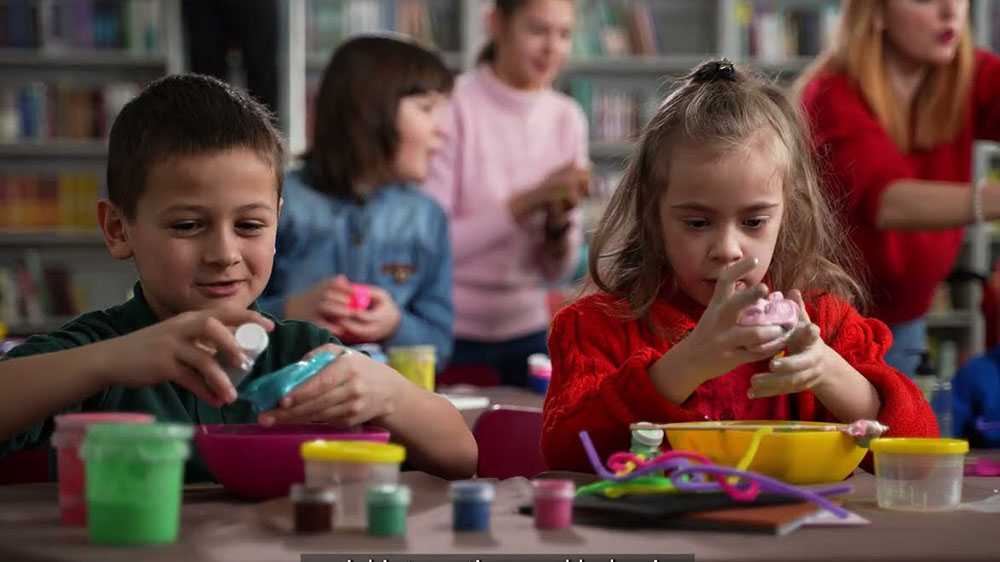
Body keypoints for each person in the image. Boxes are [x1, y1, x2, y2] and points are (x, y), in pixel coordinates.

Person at [0, 74, 477, 481]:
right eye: (187, 226)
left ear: (277, 222)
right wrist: (108, 361)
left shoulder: (301, 353)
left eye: (250, 225)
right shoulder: (97, 351)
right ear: (118, 229)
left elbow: (461, 455)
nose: (224, 254)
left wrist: (388, 392)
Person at [541, 60, 938, 472]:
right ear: (651, 213)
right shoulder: (597, 326)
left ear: (787, 212)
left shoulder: (826, 324)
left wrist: (828, 372)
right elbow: (567, 452)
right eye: (697, 223)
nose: (728, 249)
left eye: (753, 222)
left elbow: (920, 456)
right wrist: (685, 365)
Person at [798, 0, 1000, 377]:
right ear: (875, 12)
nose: (950, 10)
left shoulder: (965, 74)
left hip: (907, 319)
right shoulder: (829, 94)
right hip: (830, 325)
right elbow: (885, 200)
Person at [422, 0, 590, 387]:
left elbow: (558, 271)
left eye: (563, 34)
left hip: (528, 332)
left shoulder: (567, 117)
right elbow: (433, 245)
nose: (552, 48)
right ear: (497, 24)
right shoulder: (453, 105)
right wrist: (529, 200)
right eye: (537, 30)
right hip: (447, 331)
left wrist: (557, 227)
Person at [259, 36, 454, 363]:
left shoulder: (427, 218)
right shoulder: (279, 202)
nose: (442, 130)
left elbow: (440, 344)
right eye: (426, 109)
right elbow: (220, 319)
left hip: (386, 400)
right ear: (371, 110)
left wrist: (395, 325)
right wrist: (290, 312)